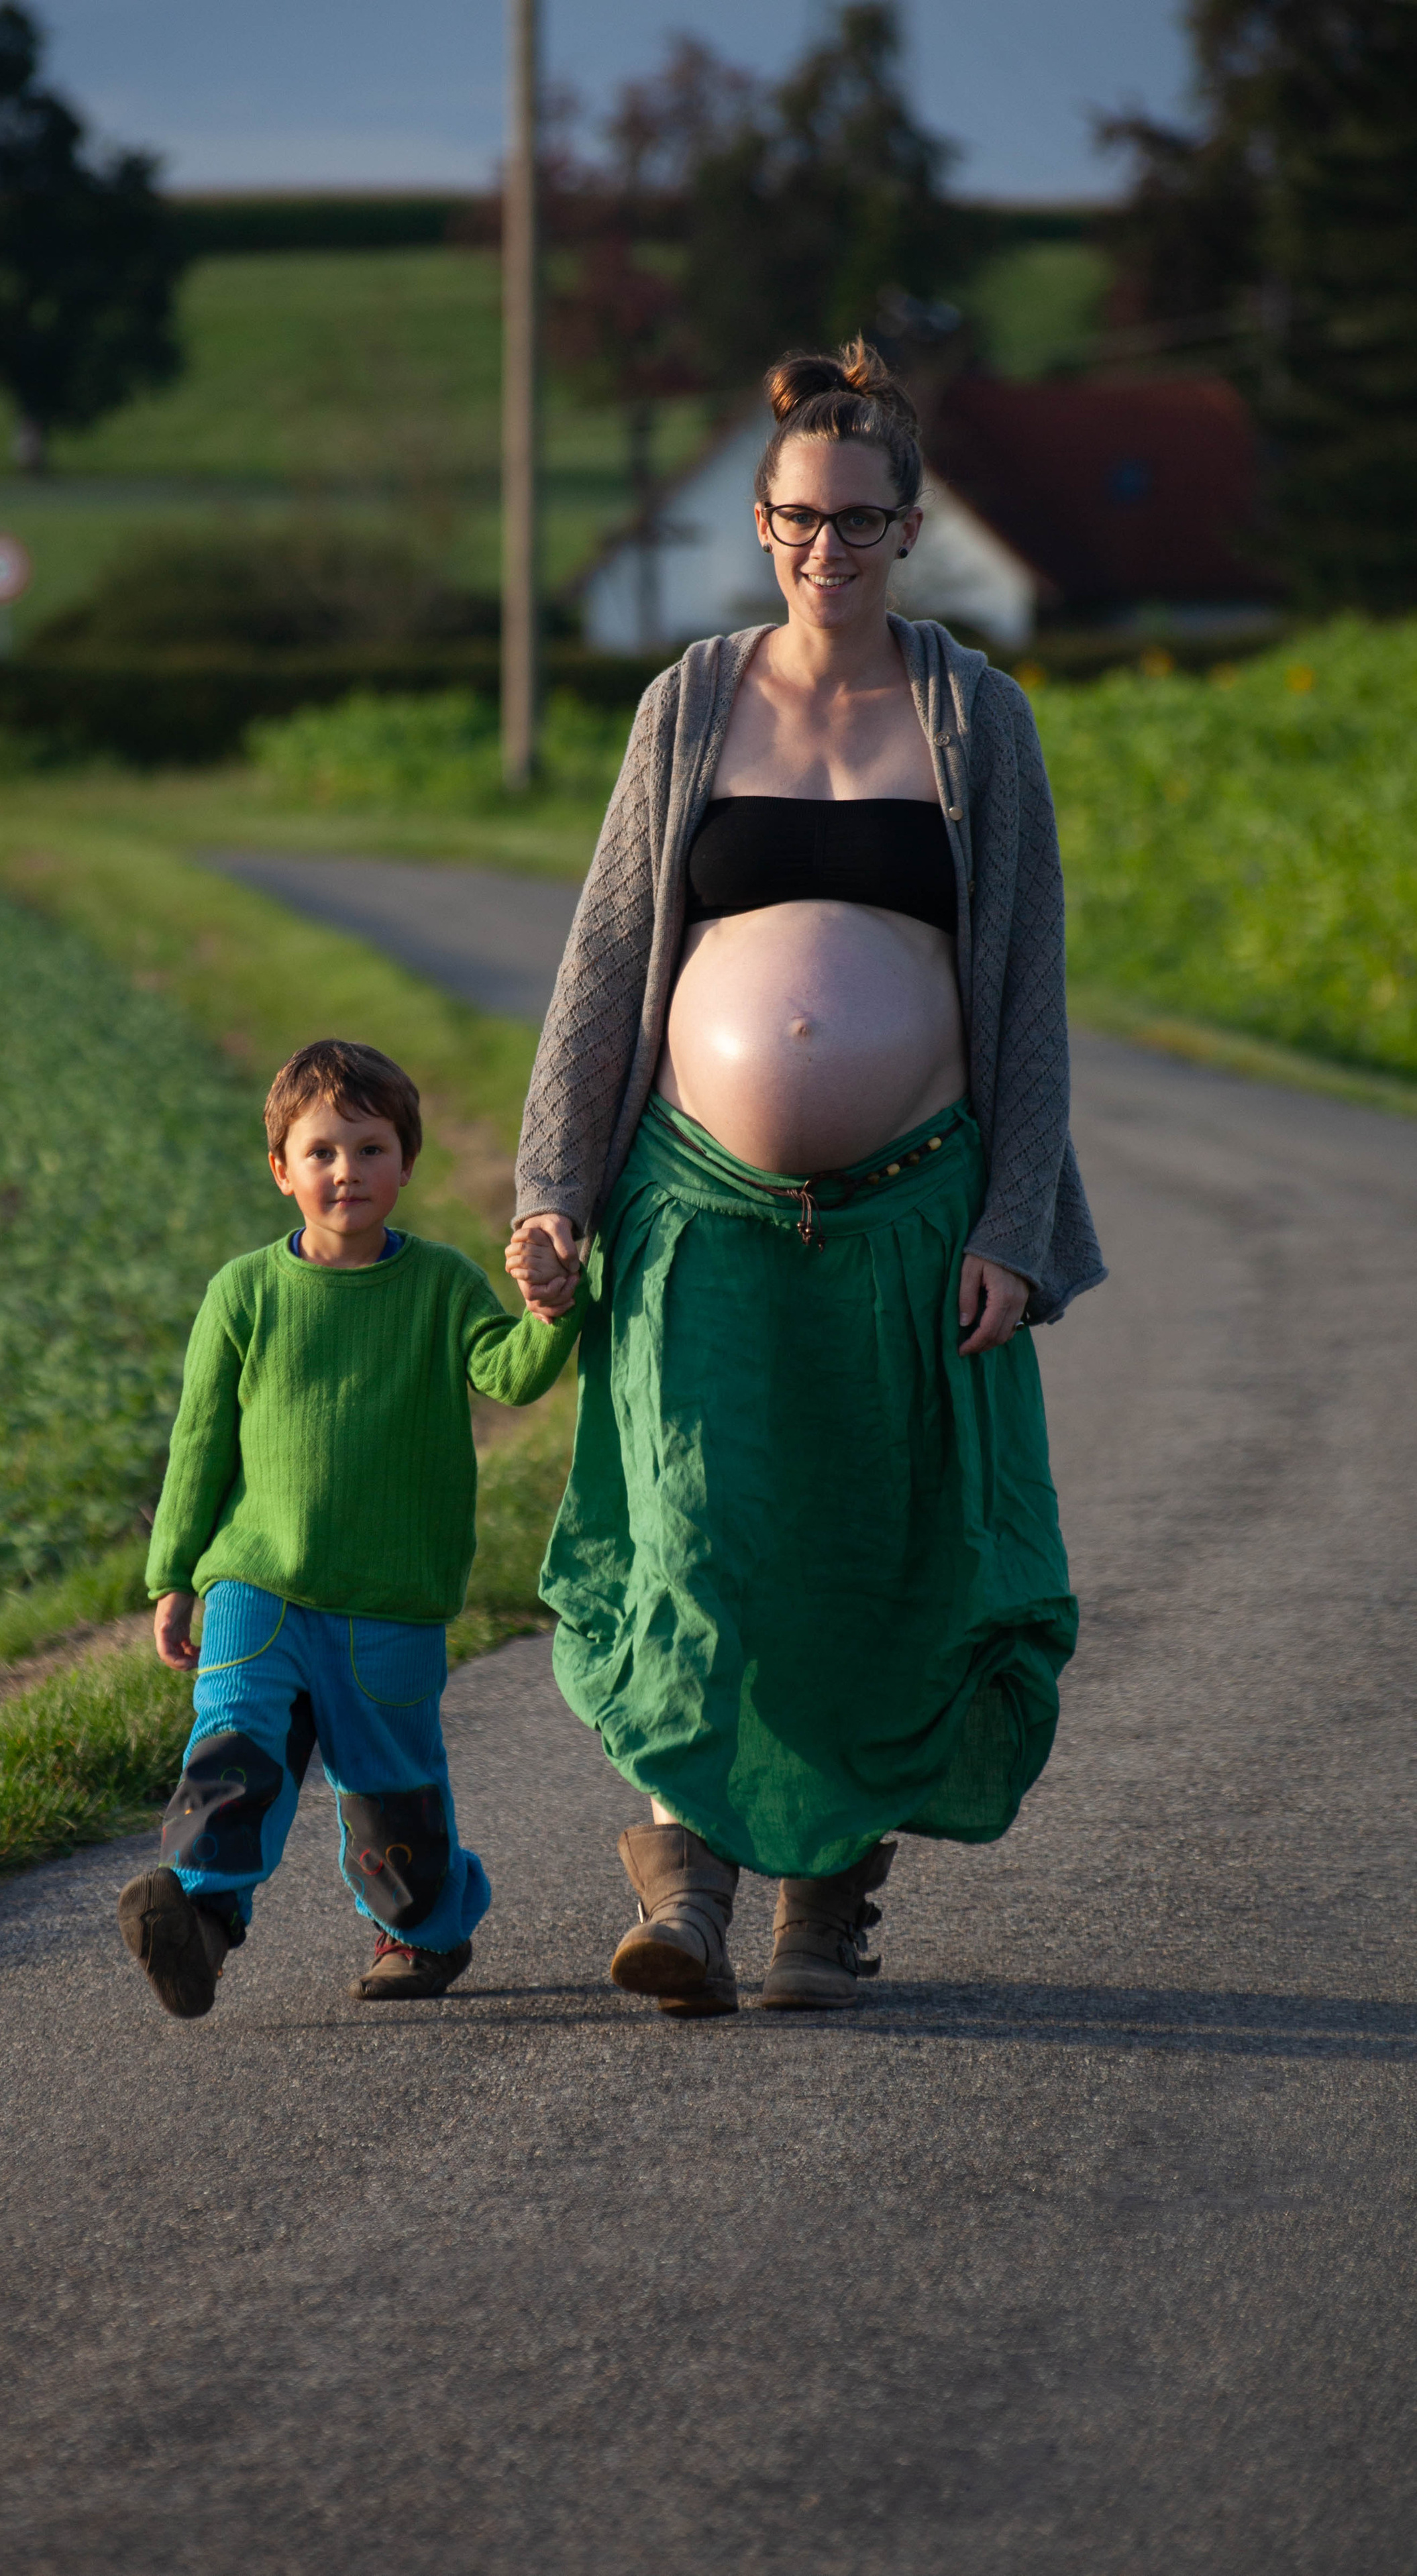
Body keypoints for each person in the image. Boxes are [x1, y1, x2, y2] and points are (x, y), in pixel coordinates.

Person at [507, 339, 1105, 2019]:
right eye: (795, 519)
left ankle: (824, 1903)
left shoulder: (973, 714)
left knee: (869, 1550)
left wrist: (1014, 1227)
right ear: (759, 521)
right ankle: (685, 1884)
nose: (822, 548)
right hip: (694, 1204)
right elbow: (608, 952)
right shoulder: (689, 701)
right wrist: (553, 1186)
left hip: (912, 1211)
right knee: (692, 1537)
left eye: (857, 522)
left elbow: (1026, 991)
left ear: (908, 527)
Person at [118, 1038, 585, 2019]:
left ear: (406, 1164)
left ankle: (423, 1933)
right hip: (258, 1583)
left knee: (390, 1788)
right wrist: (175, 1576)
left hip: (391, 1596)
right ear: (281, 1170)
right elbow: (199, 1442)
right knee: (233, 1745)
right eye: (323, 1151)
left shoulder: (443, 1285)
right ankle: (199, 1920)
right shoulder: (244, 1293)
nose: (348, 1172)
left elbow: (513, 1375)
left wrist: (551, 1309)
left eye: (371, 1150)